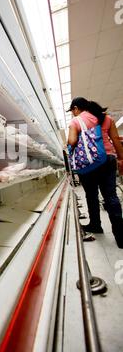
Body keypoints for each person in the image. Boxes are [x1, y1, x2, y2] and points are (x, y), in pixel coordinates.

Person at [67, 97, 123, 249]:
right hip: (107, 160)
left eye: (72, 110)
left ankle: (96, 225)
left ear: (76, 108)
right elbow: (116, 140)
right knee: (111, 196)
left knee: (91, 195)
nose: (73, 114)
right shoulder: (106, 118)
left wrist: (70, 145)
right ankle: (120, 235)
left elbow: (72, 141)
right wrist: (121, 159)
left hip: (88, 163)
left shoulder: (76, 121)